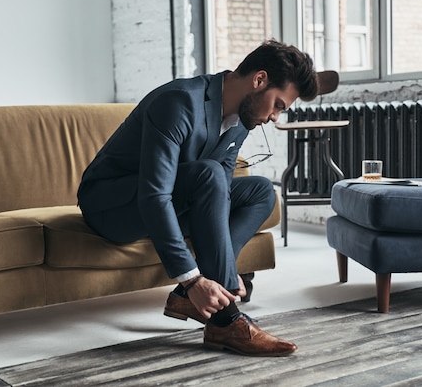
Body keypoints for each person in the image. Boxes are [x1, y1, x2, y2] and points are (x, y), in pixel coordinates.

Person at [78, 39, 326, 356]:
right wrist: (194, 280)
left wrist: (220, 262)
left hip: (174, 194)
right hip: (112, 204)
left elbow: (219, 189)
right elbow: (155, 195)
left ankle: (200, 290)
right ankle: (226, 323)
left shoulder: (242, 117)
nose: (276, 116)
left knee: (261, 191)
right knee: (207, 173)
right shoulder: (179, 102)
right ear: (259, 80)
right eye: (278, 104)